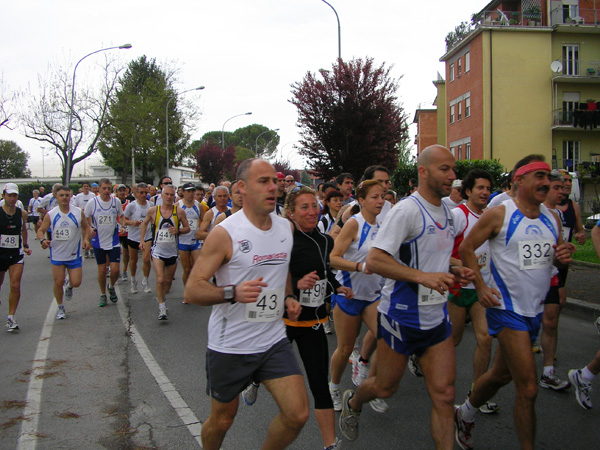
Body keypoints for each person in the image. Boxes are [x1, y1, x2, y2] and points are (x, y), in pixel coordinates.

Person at [339, 146, 473, 449]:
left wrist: (456, 268)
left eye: (453, 169)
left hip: (437, 318)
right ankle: (355, 401)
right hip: (401, 316)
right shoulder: (406, 211)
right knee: (385, 387)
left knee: (445, 394)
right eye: (444, 170)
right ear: (423, 172)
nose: (452, 177)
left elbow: (432, 255)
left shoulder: (450, 216)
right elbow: (375, 261)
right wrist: (423, 277)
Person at [183, 158, 308, 450]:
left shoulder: (285, 228)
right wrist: (232, 293)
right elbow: (193, 289)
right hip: (231, 345)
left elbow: (282, 269)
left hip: (273, 339)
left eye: (275, 181)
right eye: (263, 181)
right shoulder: (225, 233)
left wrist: (288, 296)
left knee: (298, 414)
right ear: (243, 187)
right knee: (223, 420)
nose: (273, 187)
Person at [454, 156, 575, 450]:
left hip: (533, 309)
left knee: (500, 375)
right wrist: (480, 286)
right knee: (529, 388)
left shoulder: (551, 217)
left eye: (548, 176)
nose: (546, 182)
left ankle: (465, 412)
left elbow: (554, 256)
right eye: (539, 176)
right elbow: (468, 248)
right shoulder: (499, 214)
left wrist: (561, 259)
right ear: (519, 180)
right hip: (505, 308)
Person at [244, 186, 346, 450]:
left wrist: (337, 286)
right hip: (282, 322)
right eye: (304, 207)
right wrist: (296, 284)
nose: (312, 211)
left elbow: (325, 272)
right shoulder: (284, 242)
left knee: (319, 386)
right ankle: (255, 380)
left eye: (314, 205)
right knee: (262, 364)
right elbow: (271, 276)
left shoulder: (326, 241)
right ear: (290, 213)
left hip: (313, 322)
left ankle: (330, 445)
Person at [329, 180, 389, 414]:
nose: (380, 201)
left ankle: (370, 385)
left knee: (386, 340)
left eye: (382, 196)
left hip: (373, 296)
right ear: (361, 201)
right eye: (374, 197)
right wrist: (360, 267)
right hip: (349, 294)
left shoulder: (385, 224)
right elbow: (333, 257)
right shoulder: (354, 224)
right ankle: (333, 387)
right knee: (344, 349)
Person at [447, 169, 499, 413]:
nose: (485, 192)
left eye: (488, 189)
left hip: (481, 287)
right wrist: (460, 265)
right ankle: (440, 384)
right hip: (458, 287)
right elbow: (440, 250)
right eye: (480, 188)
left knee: (485, 338)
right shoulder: (458, 215)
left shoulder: (490, 217)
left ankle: (477, 394)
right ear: (468, 191)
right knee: (453, 340)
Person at [38, 185, 91, 319]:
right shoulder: (51, 214)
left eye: (67, 195)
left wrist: (86, 239)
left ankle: (70, 286)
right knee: (58, 281)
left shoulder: (78, 212)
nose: (64, 198)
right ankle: (60, 307)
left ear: (70, 196)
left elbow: (86, 227)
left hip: (74, 254)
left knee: (77, 282)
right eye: (61, 195)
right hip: (57, 254)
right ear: (56, 196)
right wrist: (42, 241)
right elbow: (40, 231)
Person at [140, 184, 190, 320]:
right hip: (157, 250)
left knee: (168, 281)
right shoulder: (153, 211)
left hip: (172, 252)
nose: (169, 197)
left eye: (171, 195)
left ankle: (161, 297)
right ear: (161, 195)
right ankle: (162, 307)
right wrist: (142, 240)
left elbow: (187, 228)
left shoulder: (179, 212)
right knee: (160, 279)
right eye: (166, 194)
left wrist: (178, 231)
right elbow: (144, 223)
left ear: (175, 196)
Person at [84, 178, 124, 307]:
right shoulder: (92, 202)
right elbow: (85, 218)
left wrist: (122, 225)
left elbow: (121, 215)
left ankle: (111, 286)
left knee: (115, 270)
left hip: (113, 241)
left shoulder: (116, 201)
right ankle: (102, 294)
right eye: (104, 188)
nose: (106, 191)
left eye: (109, 188)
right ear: (99, 189)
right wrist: (89, 229)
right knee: (101, 271)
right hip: (98, 241)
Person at [0, 183, 31, 331]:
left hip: (16, 254)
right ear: (3, 195)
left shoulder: (22, 213)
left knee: (15, 285)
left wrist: (25, 245)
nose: (12, 198)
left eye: (15, 196)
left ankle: (11, 317)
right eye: (9, 195)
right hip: (0, 254)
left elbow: (23, 229)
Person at [123, 183, 153, 294]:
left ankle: (145, 280)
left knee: (146, 259)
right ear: (135, 193)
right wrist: (132, 222)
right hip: (133, 236)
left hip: (147, 236)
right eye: (141, 192)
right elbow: (123, 220)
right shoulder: (131, 206)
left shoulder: (151, 205)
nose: (144, 195)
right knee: (133, 260)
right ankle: (133, 280)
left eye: (146, 192)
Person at [177, 182, 204, 304]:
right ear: (183, 192)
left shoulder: (199, 206)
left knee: (197, 268)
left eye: (193, 191)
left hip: (195, 241)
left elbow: (204, 222)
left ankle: (196, 291)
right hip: (182, 241)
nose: (191, 193)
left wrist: (203, 234)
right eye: (188, 191)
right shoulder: (178, 205)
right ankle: (187, 292)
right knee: (187, 269)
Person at [115, 184, 130, 282]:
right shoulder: (113, 202)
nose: (122, 192)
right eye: (120, 191)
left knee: (125, 252)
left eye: (123, 190)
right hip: (116, 229)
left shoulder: (129, 203)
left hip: (127, 230)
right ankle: (112, 269)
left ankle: (124, 270)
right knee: (114, 252)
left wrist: (125, 226)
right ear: (116, 192)